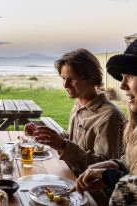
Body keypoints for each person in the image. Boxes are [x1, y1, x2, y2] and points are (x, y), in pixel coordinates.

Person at [25, 48, 126, 176]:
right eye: (63, 78)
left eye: (72, 79)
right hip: (69, 176)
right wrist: (47, 137)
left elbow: (106, 169)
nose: (65, 85)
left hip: (90, 193)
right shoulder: (78, 105)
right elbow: (74, 142)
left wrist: (62, 145)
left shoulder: (109, 117)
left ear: (91, 77)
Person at [75, 40, 137, 205]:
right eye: (122, 77)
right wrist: (118, 165)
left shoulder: (109, 115)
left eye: (129, 76)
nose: (122, 85)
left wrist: (110, 176)